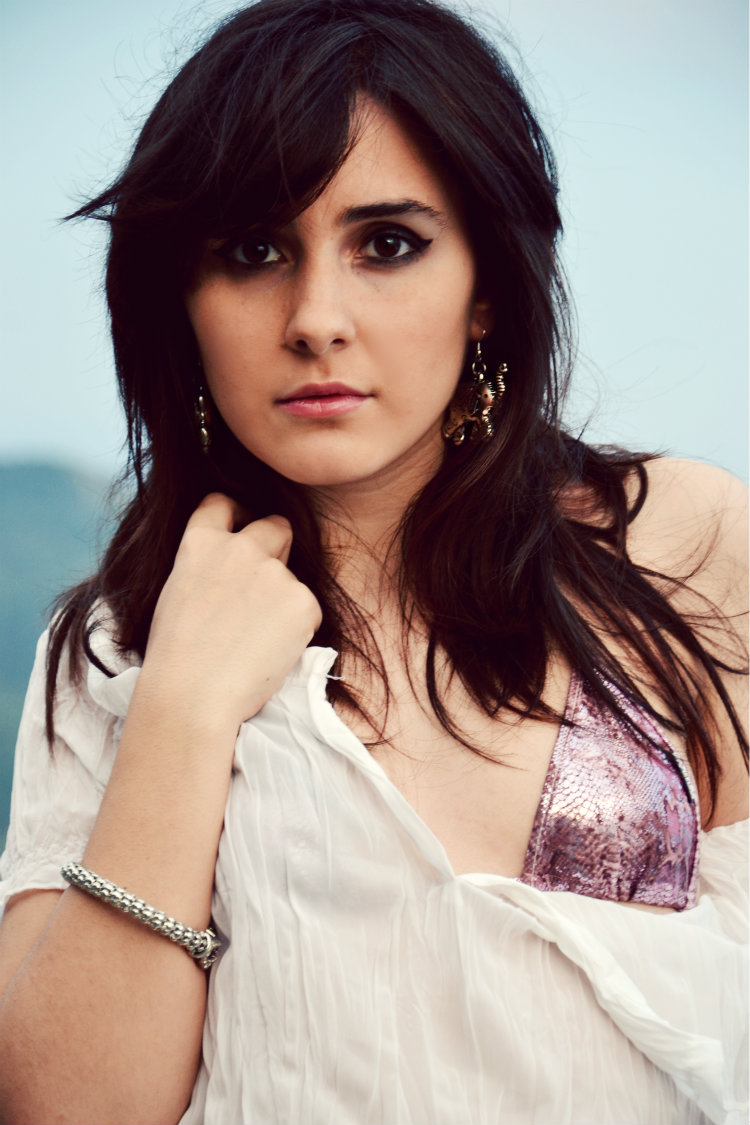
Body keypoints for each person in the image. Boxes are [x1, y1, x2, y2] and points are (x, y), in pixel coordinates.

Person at [0, 0, 746, 1122]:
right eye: (253, 251)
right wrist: (184, 709)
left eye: (387, 244)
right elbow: (69, 1109)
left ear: (486, 286)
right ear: (181, 299)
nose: (316, 317)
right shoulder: (118, 645)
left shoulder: (680, 541)